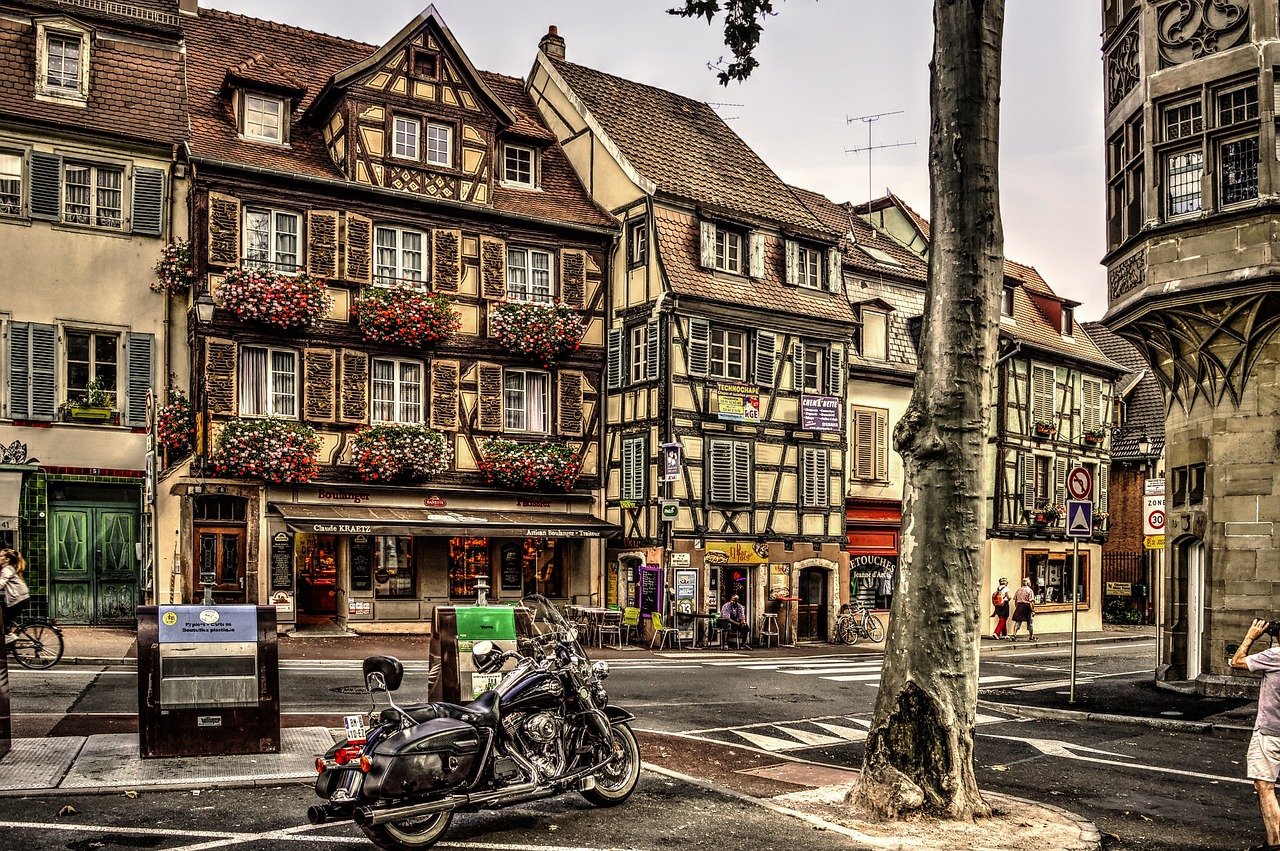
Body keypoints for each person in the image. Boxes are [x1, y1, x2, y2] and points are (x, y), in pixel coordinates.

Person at [1229, 618, 1280, 851]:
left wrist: (1251, 636)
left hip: (1271, 731)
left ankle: (1275, 843)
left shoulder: (1274, 656)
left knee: (1264, 785)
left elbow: (1236, 662)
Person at [0, 548, 30, 644]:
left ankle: (9, 636)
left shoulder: (7, 569)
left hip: (18, 600)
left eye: (1, 556)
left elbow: (1, 583)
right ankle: (8, 642)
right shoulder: (10, 568)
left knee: (2, 621)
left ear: (7, 559)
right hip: (21, 599)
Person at [1010, 577, 1037, 642]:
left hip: (1019, 606)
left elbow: (1015, 600)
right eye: (1029, 582)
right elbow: (1031, 601)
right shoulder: (1030, 591)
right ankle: (1031, 636)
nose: (1030, 583)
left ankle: (1014, 635)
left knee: (1018, 621)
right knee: (1030, 621)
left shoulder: (1018, 590)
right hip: (1027, 606)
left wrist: (1017, 607)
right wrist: (1033, 610)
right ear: (1028, 583)